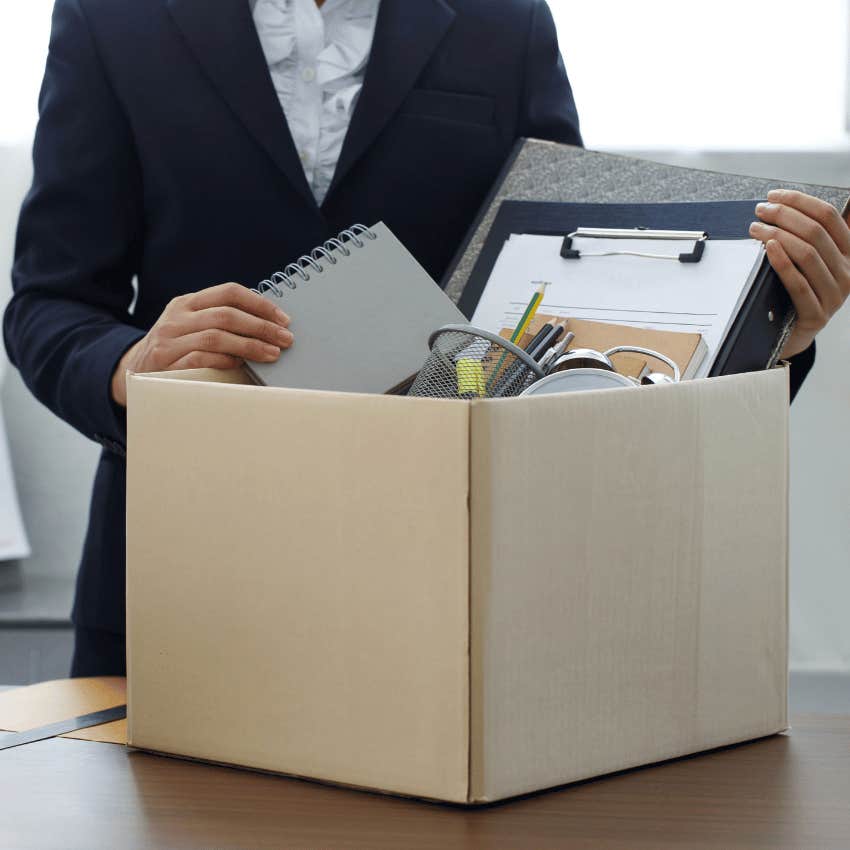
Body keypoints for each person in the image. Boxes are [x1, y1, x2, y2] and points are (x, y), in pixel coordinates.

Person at [4, 0, 849, 677]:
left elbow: (571, 307)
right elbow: (49, 301)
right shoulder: (108, 17)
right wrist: (125, 364)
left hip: (448, 572)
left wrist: (772, 333)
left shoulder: (505, 22)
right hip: (183, 561)